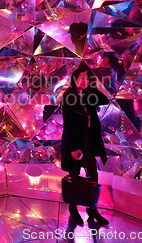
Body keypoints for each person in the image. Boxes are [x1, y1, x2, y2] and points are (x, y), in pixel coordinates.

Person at [61, 63, 110, 226]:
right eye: (81, 78)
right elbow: (68, 125)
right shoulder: (68, 96)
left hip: (88, 142)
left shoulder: (89, 95)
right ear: (74, 80)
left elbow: (105, 100)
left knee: (93, 176)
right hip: (75, 143)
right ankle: (73, 209)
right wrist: (74, 148)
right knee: (74, 177)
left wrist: (92, 88)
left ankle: (92, 209)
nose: (84, 80)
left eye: (86, 78)